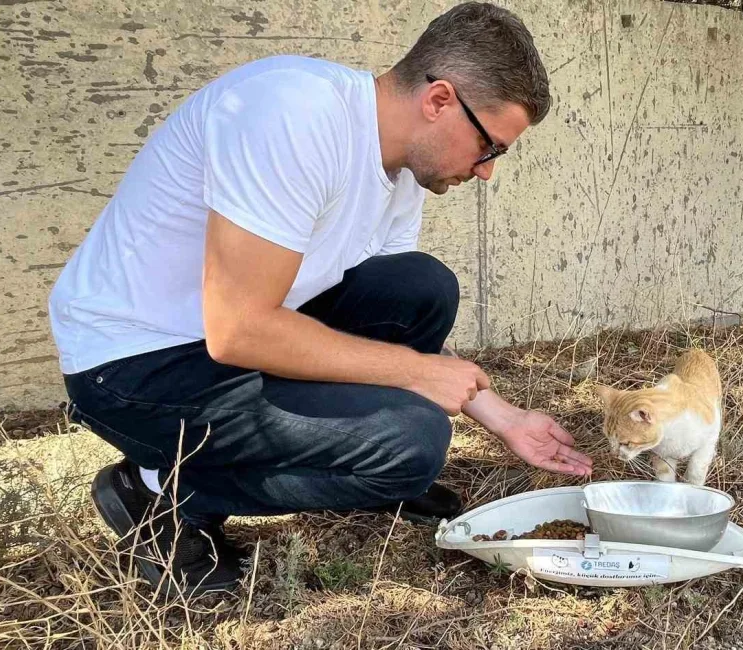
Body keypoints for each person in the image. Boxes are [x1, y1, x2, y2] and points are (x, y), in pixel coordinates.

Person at [47, 2, 593, 595]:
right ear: (439, 100)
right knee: (414, 444)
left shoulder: (403, 168)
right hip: (133, 367)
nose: (486, 171)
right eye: (491, 147)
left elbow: (372, 330)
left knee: (420, 288)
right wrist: (413, 374)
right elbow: (239, 329)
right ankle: (161, 495)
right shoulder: (291, 115)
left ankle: (355, 461)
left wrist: (502, 417)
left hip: (219, 346)